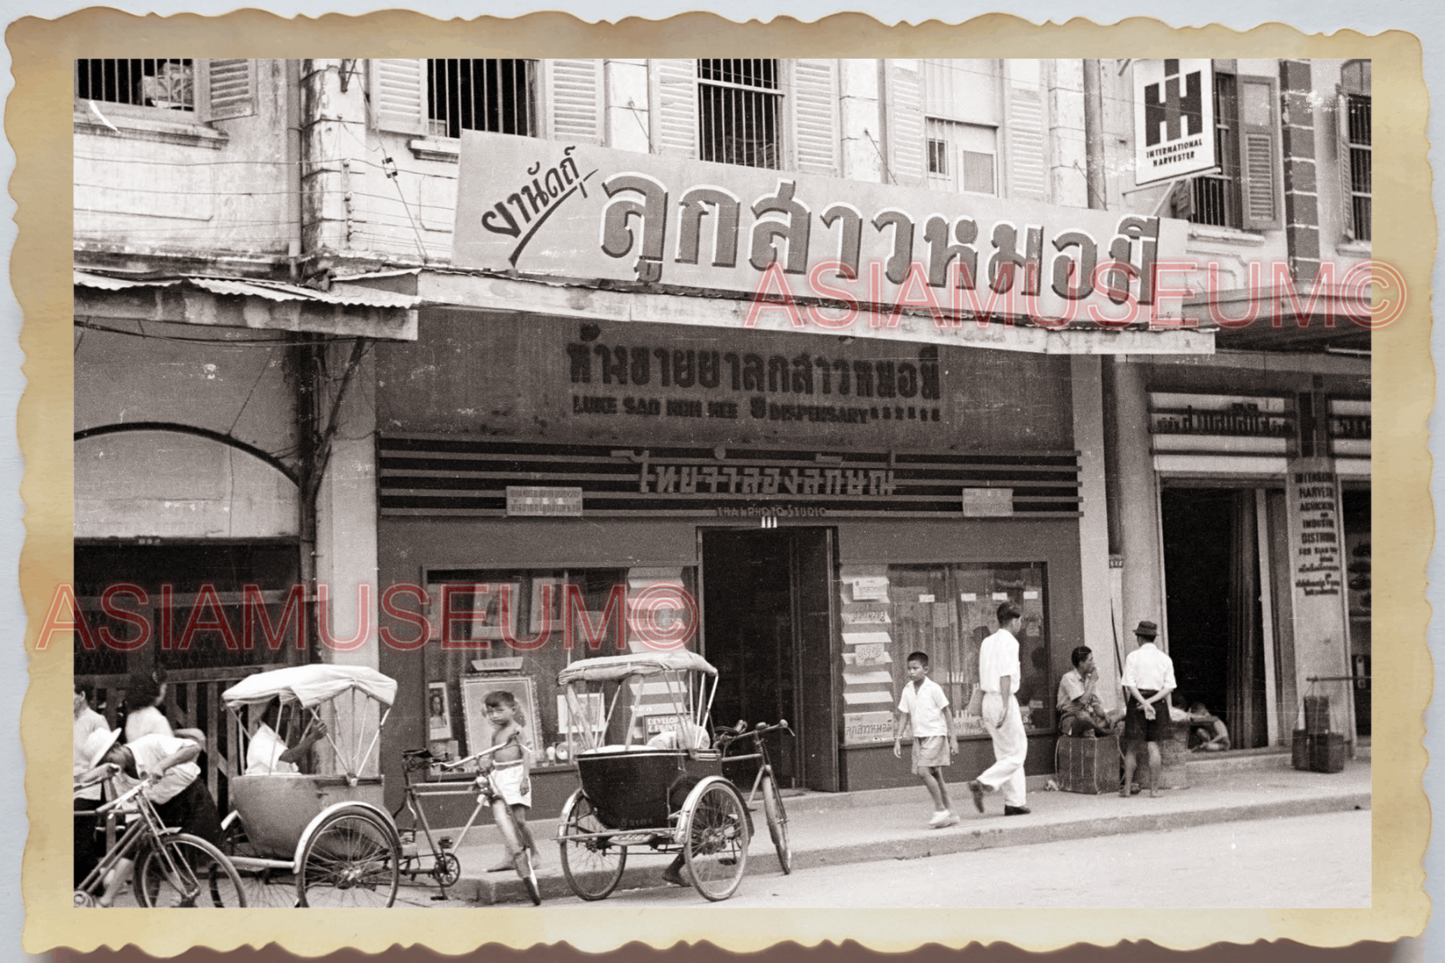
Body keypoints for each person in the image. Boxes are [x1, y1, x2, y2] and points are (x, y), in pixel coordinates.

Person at [79, 726, 221, 906]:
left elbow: (193, 748)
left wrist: (163, 765)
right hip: (162, 806)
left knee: (189, 857)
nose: (112, 765)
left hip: (191, 797)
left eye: (110, 759)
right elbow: (132, 809)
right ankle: (114, 900)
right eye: (104, 763)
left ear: (117, 746)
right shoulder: (119, 776)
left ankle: (181, 898)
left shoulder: (149, 743)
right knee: (139, 844)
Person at [967, 602, 1031, 816]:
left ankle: (1014, 801)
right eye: (1020, 620)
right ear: (1014, 620)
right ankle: (984, 782)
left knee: (1005, 752)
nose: (1021, 624)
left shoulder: (987, 641)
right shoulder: (1010, 642)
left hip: (987, 699)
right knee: (1017, 752)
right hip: (1003, 698)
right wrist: (1005, 704)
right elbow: (1005, 674)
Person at [892, 651, 959, 828]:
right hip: (919, 737)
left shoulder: (934, 688)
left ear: (926, 669)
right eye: (909, 669)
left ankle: (940, 809)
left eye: (915, 668)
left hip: (936, 734)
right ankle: (951, 812)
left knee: (923, 771)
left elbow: (947, 712)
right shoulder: (907, 689)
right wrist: (898, 739)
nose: (911, 672)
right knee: (936, 774)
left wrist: (953, 738)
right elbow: (904, 715)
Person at [476, 691, 539, 875]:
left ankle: (535, 853)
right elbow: (492, 754)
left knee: (519, 820)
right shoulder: (496, 733)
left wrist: (525, 778)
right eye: (491, 712)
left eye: (499, 710)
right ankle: (510, 857)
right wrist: (485, 765)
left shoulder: (517, 730)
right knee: (504, 820)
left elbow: (526, 753)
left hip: (516, 775)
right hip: (499, 776)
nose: (494, 715)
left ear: (512, 710)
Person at [1120, 620, 1177, 798]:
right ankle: (1154, 790)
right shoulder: (1165, 659)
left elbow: (1129, 684)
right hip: (1158, 703)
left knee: (1131, 747)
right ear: (1154, 638)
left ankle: (1127, 789)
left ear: (1139, 638)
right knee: (1154, 746)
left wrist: (1143, 703)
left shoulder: (1132, 657)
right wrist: (1151, 702)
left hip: (1137, 702)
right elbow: (1169, 687)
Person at [73, 683, 109, 886]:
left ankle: (92, 888)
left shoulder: (96, 721)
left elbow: (106, 756)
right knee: (79, 842)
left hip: (88, 788)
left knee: (79, 841)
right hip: (67, 787)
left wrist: (85, 778)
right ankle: (92, 887)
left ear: (82, 695)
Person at [245, 699, 328, 775]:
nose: (288, 719)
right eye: (285, 711)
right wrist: (313, 737)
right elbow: (291, 757)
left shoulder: (276, 740)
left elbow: (291, 766)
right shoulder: (261, 740)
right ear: (273, 711)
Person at [1056, 646, 1125, 736]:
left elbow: (1096, 706)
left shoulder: (1089, 679)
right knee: (1083, 716)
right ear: (1081, 663)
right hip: (1072, 718)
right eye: (1090, 660)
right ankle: (1102, 732)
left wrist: (1105, 715)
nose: (1094, 663)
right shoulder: (1068, 678)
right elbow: (1082, 702)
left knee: (1119, 712)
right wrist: (1092, 681)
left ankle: (1095, 729)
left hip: (1090, 718)